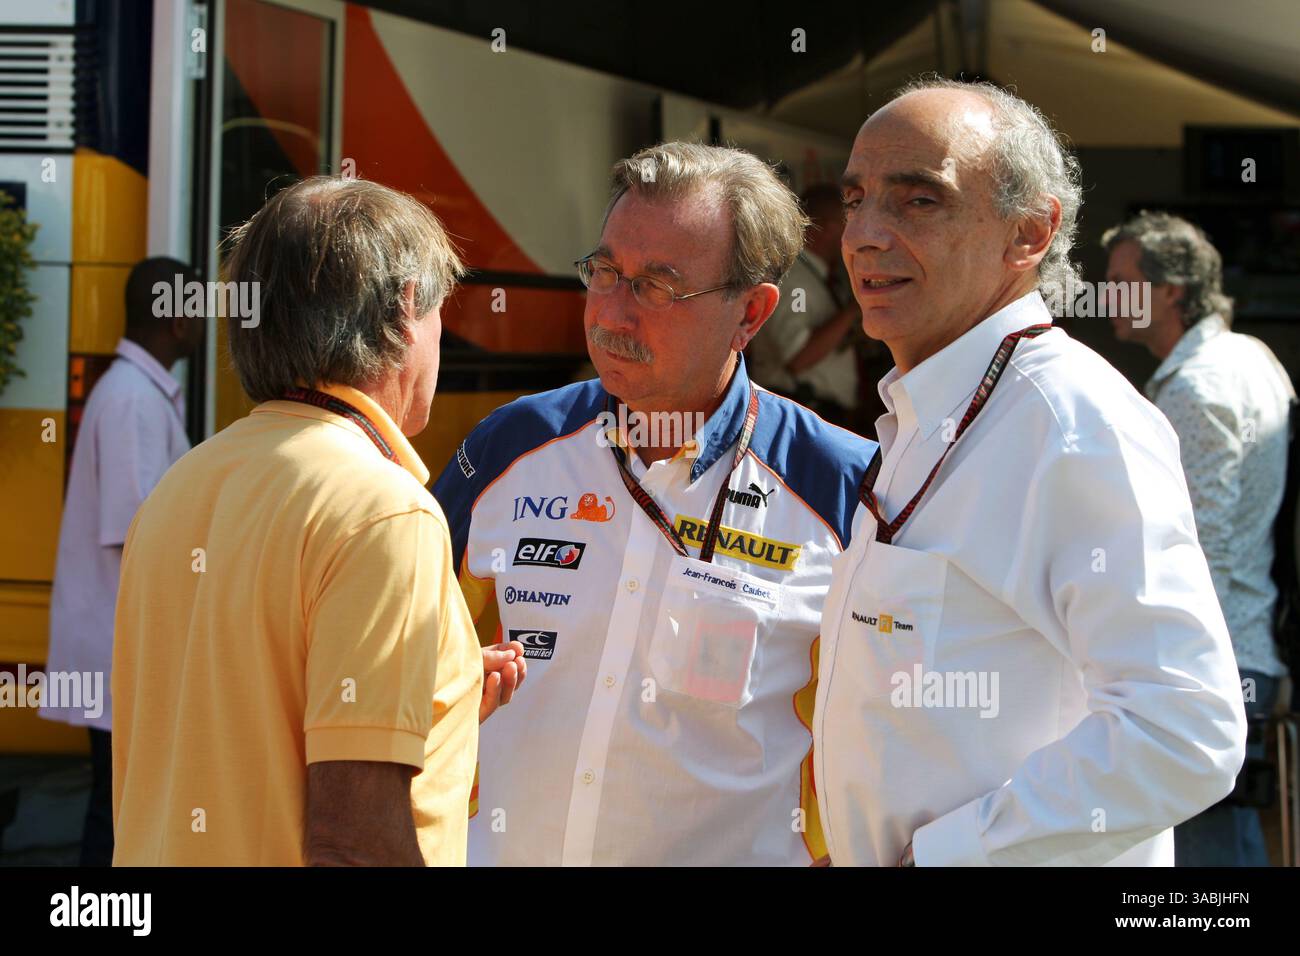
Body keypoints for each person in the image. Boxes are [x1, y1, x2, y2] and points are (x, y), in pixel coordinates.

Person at [814, 78, 1246, 866]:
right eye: (856, 198)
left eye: (918, 201)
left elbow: (1185, 728)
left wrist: (950, 857)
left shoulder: (1073, 422)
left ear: (1030, 233)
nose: (865, 236)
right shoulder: (932, 410)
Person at [433, 142, 877, 865]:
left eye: (658, 286)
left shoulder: (842, 490)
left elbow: (880, 757)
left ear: (752, 313)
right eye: (605, 272)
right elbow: (393, 661)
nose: (612, 312)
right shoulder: (509, 448)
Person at [112, 177, 491, 866]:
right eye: (443, 312)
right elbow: (355, 842)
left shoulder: (180, 488)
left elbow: (238, 728)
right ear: (407, 310)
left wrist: (444, 701)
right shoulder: (386, 512)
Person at [1105, 210, 1293, 866]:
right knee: (1230, 843)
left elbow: (1198, 544)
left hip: (1215, 652)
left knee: (1208, 857)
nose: (1106, 297)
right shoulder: (1249, 357)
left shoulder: (1198, 386)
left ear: (1172, 291)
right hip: (1248, 642)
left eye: (1122, 281)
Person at [39, 256, 203, 867]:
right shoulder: (133, 399)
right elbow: (138, 530)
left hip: (113, 641)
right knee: (114, 811)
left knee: (115, 805)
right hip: (117, 646)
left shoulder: (132, 391)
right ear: (176, 320)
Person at [747, 183, 860, 427]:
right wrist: (854, 309)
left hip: (817, 414)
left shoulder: (822, 276)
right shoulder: (794, 280)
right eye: (848, 224)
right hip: (800, 415)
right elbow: (797, 357)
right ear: (829, 229)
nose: (856, 235)